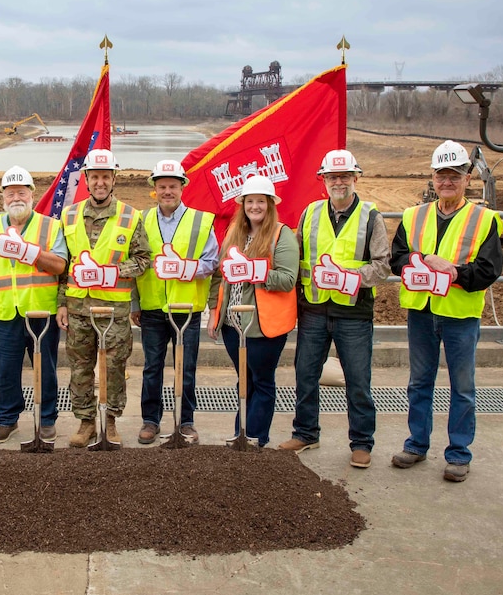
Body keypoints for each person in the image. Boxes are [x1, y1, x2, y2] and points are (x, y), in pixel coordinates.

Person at [389, 140, 503, 483]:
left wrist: (454, 271)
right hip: (422, 313)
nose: (447, 182)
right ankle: (417, 444)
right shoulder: (414, 216)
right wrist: (419, 260)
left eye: (454, 175)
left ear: (468, 177)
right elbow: (397, 257)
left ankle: (458, 454)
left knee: (462, 387)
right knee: (419, 383)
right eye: (441, 175)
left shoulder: (484, 220)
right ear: (433, 178)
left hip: (460, 314)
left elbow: (489, 269)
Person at [277, 150, 391, 468]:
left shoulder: (371, 216)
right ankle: (306, 432)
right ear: (323, 180)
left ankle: (361, 442)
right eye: (332, 177)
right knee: (306, 374)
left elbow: (382, 266)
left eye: (344, 176)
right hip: (313, 309)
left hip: (353, 312)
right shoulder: (310, 213)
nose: (338, 182)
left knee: (357, 379)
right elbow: (296, 256)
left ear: (355, 178)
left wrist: (349, 278)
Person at [56, 149, 151, 447]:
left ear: (113, 180)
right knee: (81, 368)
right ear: (86, 179)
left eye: (105, 177)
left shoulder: (130, 216)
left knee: (114, 368)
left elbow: (143, 259)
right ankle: (86, 423)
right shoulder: (68, 215)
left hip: (113, 311)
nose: (100, 182)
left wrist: (113, 271)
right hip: (78, 308)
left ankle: (110, 421)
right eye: (94, 176)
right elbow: (63, 263)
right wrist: (61, 302)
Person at [0, 166, 68, 442]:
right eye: (10, 192)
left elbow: (60, 265)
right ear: (2, 196)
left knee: (46, 368)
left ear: (32, 194)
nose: (16, 197)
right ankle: (7, 419)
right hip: (5, 312)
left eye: (22, 192)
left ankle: (47, 419)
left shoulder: (50, 226)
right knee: (5, 370)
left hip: (41, 310)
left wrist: (30, 253)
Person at [131, 159, 218, 444]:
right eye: (162, 186)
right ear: (154, 190)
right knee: (152, 366)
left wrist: (186, 268)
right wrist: (135, 304)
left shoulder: (201, 221)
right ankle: (150, 421)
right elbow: (135, 263)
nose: (167, 191)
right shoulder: (141, 220)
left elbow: (211, 261)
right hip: (153, 308)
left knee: (186, 367)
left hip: (187, 308)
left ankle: (186, 421)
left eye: (173, 186)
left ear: (182, 187)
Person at [208, 174, 297, 447]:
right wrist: (215, 313)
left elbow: (287, 279)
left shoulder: (282, 235)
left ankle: (256, 438)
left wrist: (257, 273)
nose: (255, 206)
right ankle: (241, 434)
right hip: (233, 324)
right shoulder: (235, 234)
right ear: (243, 204)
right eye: (250, 201)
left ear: (270, 204)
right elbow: (218, 276)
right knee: (243, 381)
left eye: (261, 201)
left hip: (263, 324)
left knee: (262, 381)